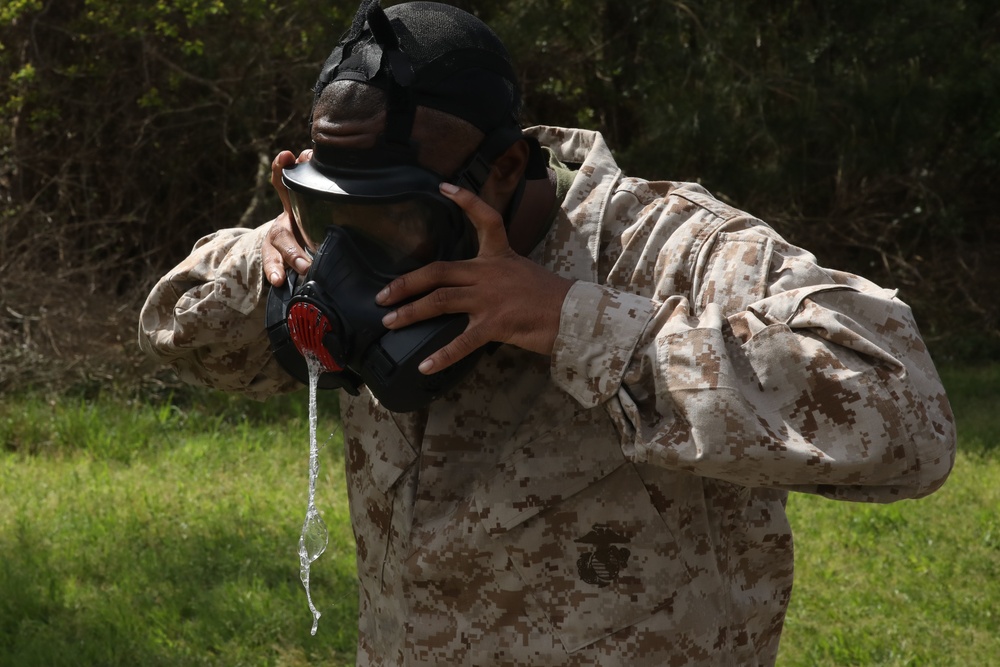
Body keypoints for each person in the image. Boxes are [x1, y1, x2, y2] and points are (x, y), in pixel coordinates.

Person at [138, 1, 956, 665]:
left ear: (502, 170)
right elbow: (184, 337)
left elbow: (906, 418)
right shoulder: (355, 229)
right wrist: (272, 248)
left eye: (386, 212)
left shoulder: (667, 249)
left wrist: (576, 322)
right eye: (328, 207)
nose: (355, 245)